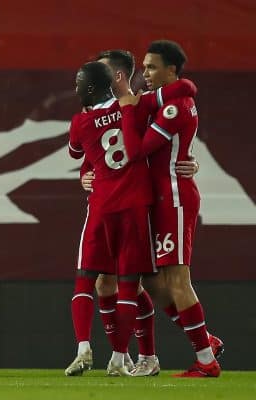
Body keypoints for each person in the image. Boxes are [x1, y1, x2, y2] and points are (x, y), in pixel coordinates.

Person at [66, 51, 197, 377]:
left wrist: (187, 161)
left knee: (139, 283)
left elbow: (79, 149)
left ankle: (116, 353)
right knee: (123, 285)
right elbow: (183, 95)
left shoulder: (83, 119)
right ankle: (122, 356)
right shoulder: (139, 106)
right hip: (137, 204)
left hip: (107, 204)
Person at [118, 40, 221, 378]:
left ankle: (206, 360)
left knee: (177, 278)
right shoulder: (169, 98)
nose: (144, 73)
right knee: (152, 280)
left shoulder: (176, 106)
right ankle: (206, 340)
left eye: (150, 67)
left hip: (175, 197)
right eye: (144, 67)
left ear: (171, 70)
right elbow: (138, 100)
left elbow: (141, 150)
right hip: (161, 197)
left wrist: (131, 111)